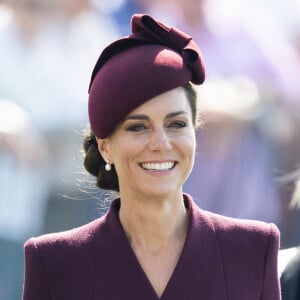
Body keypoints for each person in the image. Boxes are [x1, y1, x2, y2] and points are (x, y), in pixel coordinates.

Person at [22, 14, 281, 299]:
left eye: (176, 124)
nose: (161, 143)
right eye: (138, 127)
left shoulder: (254, 249)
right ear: (105, 145)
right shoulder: (53, 262)